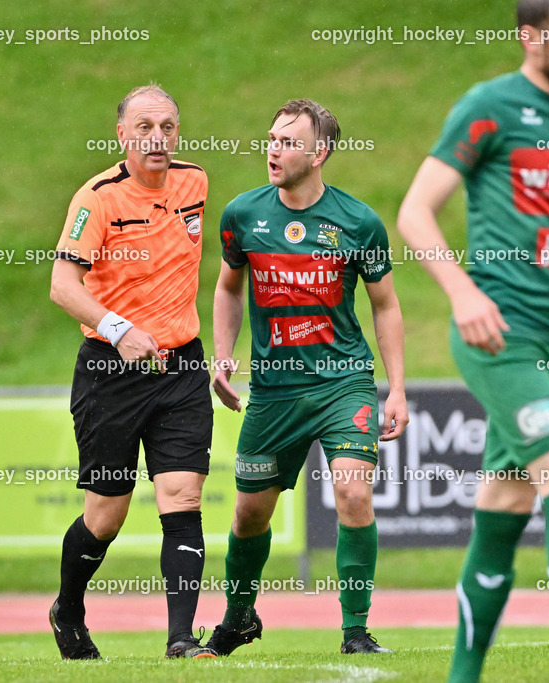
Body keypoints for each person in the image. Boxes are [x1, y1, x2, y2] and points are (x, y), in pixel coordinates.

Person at [397, 1, 549, 680]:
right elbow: (415, 212)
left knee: (503, 507)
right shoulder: (489, 107)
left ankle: (461, 675)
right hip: (500, 336)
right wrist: (463, 293)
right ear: (531, 37)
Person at [203, 98, 408, 658]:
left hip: (344, 382)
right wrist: (223, 358)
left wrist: (396, 388)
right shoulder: (242, 214)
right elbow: (227, 288)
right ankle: (238, 619)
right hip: (274, 391)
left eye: (288, 142)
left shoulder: (359, 222)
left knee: (353, 492)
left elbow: (386, 305)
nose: (273, 149)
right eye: (271, 138)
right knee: (249, 513)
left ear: (319, 155)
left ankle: (355, 630)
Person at [48, 84, 215, 659]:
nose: (157, 138)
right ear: (122, 134)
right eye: (144, 127)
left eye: (167, 127)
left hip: (181, 365)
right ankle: (68, 610)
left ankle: (181, 640)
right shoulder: (97, 198)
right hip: (110, 371)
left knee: (183, 496)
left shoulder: (195, 182)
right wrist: (120, 330)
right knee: (106, 514)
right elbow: (62, 286)